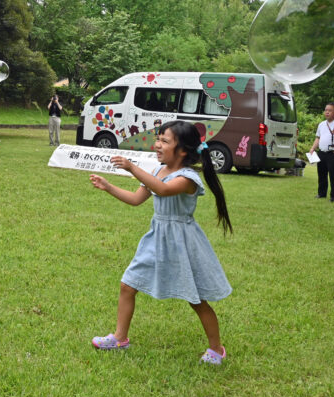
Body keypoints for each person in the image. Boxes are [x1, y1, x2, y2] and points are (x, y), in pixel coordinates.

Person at [88, 120, 232, 365]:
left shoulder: (187, 178)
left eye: (165, 141)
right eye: (158, 139)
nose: (157, 145)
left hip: (182, 243)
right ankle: (120, 338)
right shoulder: (157, 172)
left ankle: (216, 349)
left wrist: (132, 167)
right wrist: (108, 186)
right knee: (127, 285)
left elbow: (164, 190)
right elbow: (136, 199)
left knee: (196, 299)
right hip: (157, 239)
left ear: (183, 150)